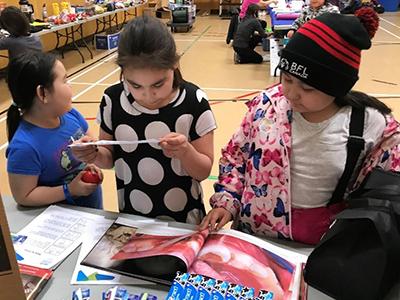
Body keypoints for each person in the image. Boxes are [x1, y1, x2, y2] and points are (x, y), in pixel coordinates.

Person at [200, 8, 400, 245]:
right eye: (287, 79)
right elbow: (235, 157)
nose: (292, 94)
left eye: (308, 89)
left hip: (320, 249)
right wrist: (228, 202)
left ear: (338, 88)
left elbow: (384, 195)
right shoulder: (267, 106)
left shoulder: (371, 126)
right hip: (252, 240)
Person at [72, 16, 217, 224]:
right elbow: (108, 158)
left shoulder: (194, 101)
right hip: (131, 218)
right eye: (136, 86)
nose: (148, 96)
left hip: (184, 221)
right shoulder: (113, 100)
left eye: (158, 84)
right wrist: (93, 153)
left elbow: (203, 172)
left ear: (175, 63)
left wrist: (186, 151)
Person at [6, 51, 103, 209]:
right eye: (65, 80)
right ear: (43, 93)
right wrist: (69, 190)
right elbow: (24, 195)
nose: (70, 85)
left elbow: (89, 137)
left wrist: (90, 156)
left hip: (91, 210)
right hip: (61, 222)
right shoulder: (24, 146)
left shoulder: (71, 114)